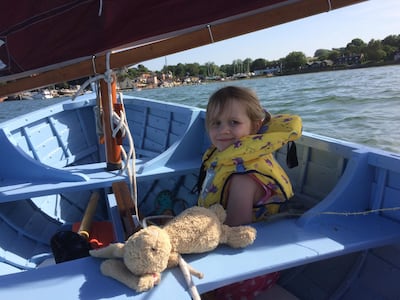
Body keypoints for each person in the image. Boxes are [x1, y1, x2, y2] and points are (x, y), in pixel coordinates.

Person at [197, 86, 302, 300]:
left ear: (255, 126)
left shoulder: (242, 177)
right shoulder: (242, 158)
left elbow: (234, 233)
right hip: (265, 263)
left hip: (244, 274)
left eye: (233, 123)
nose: (223, 130)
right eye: (215, 123)